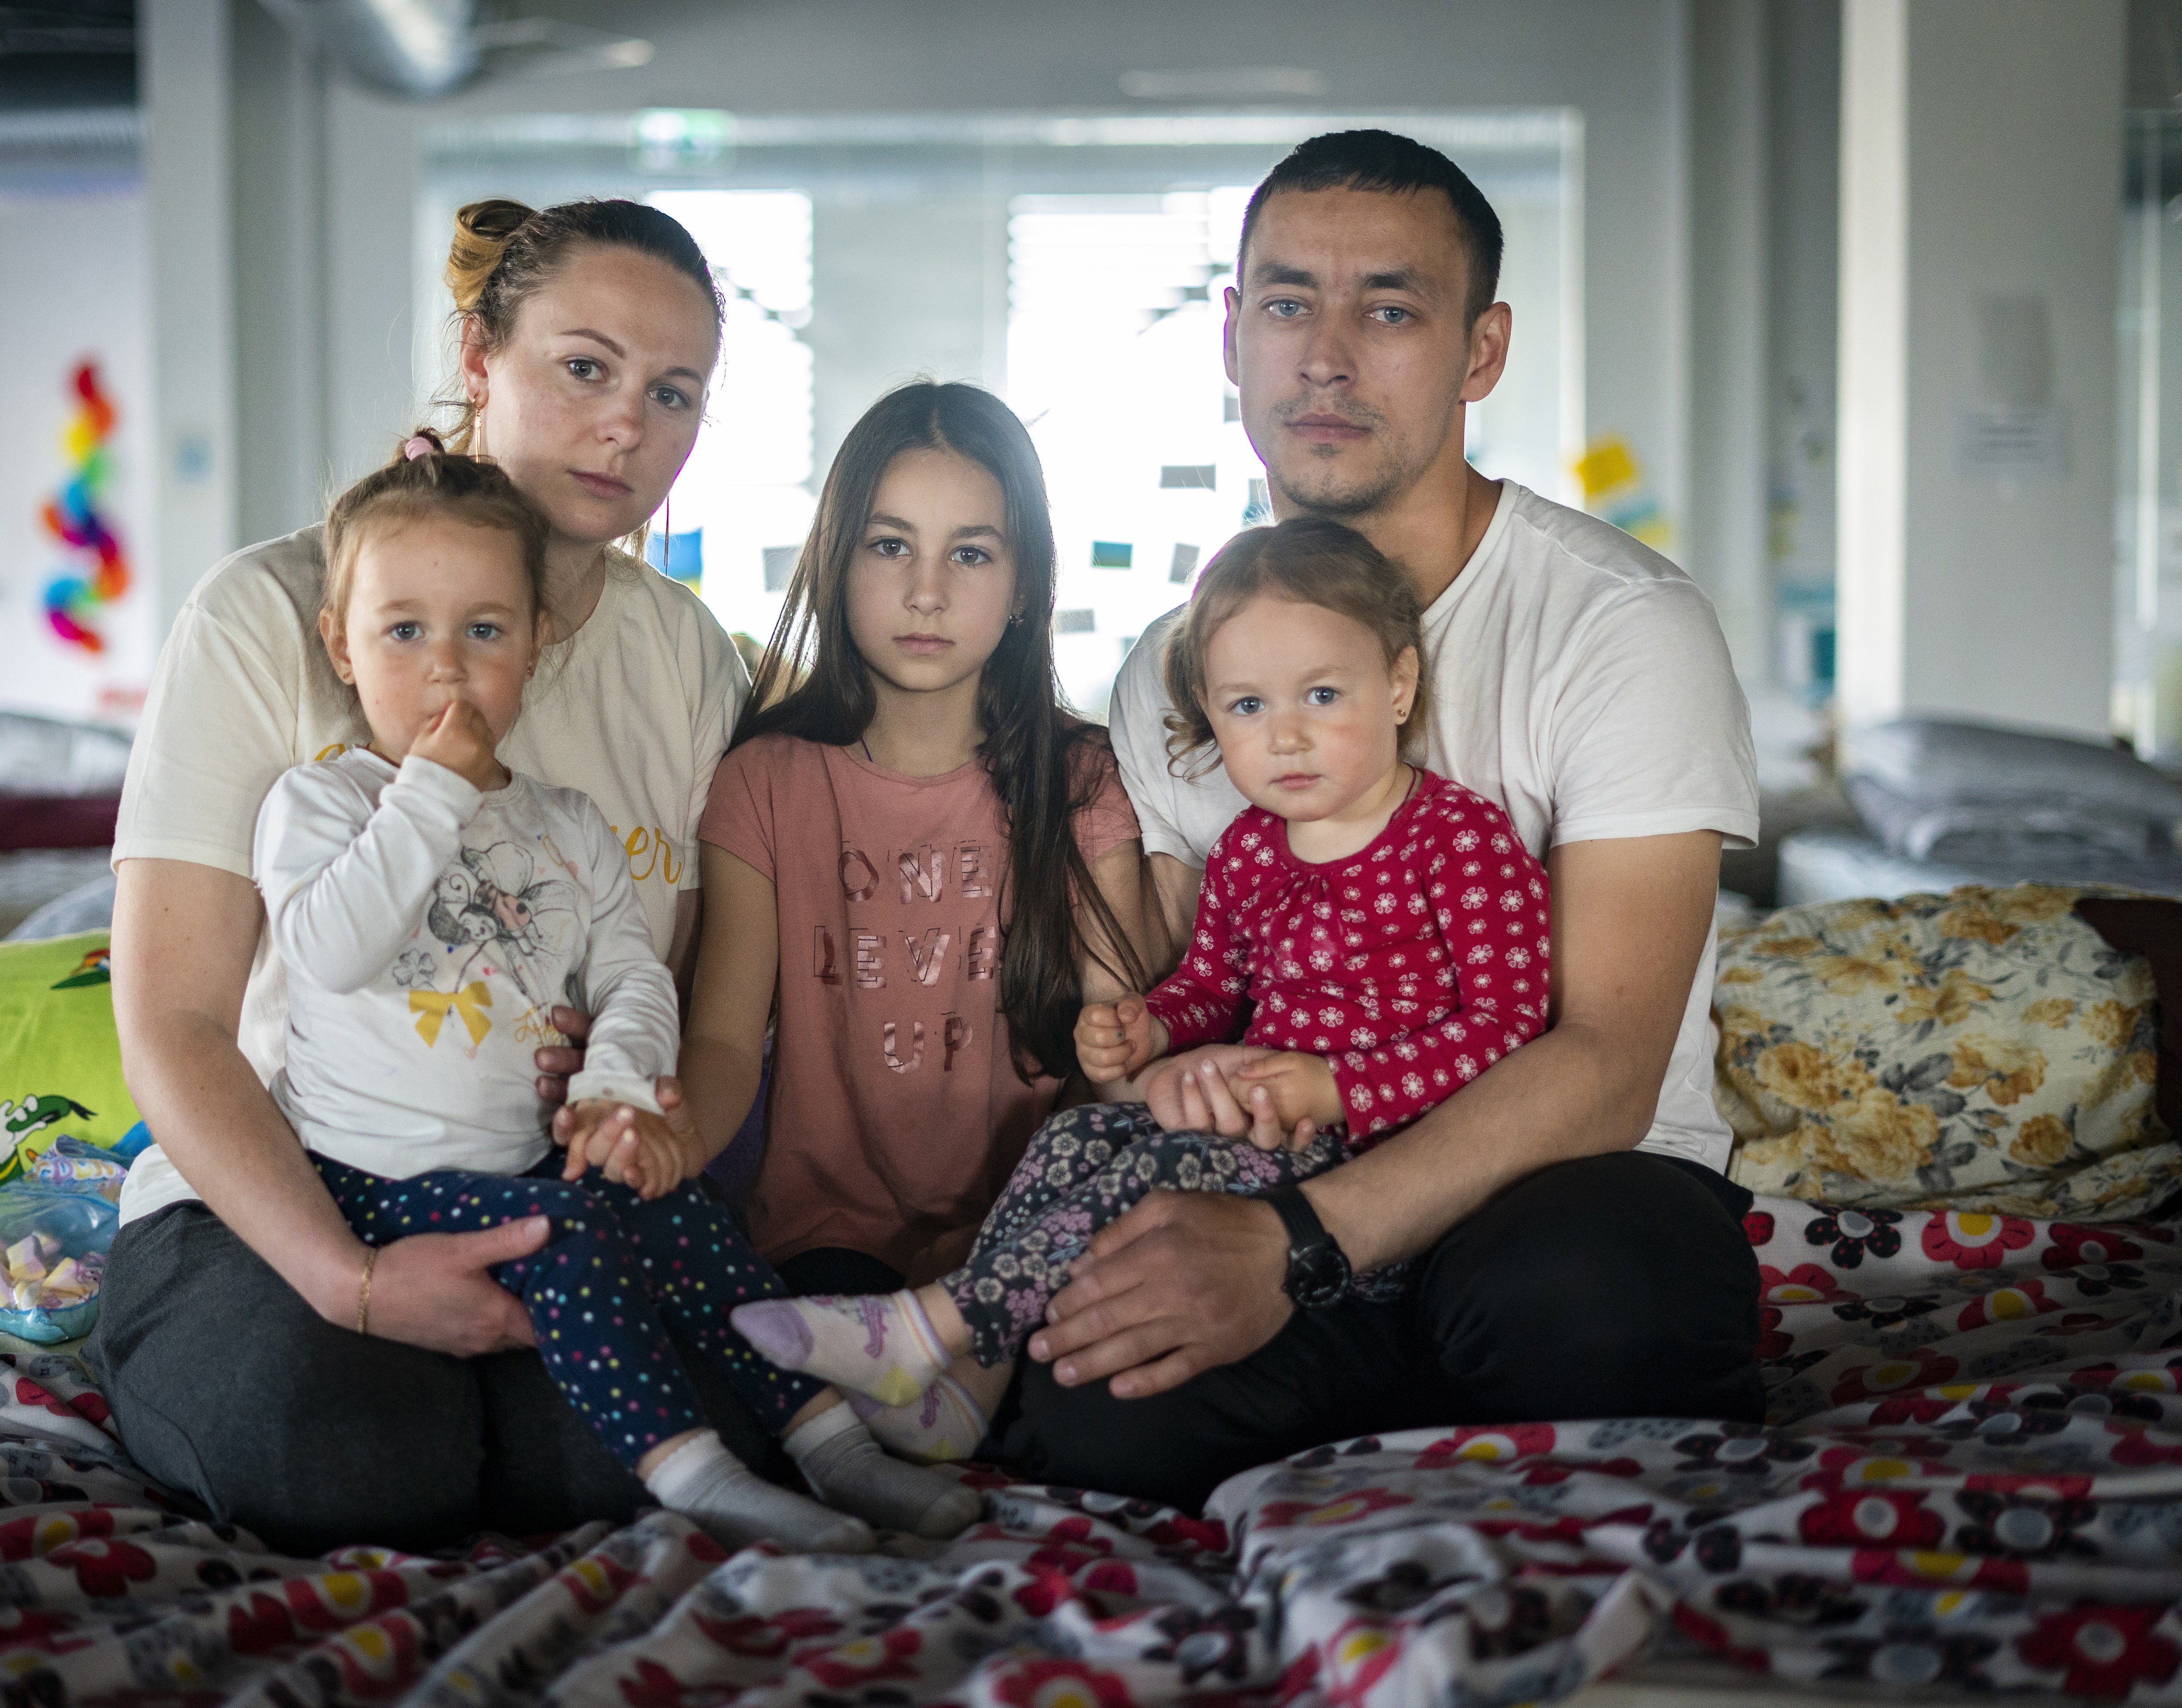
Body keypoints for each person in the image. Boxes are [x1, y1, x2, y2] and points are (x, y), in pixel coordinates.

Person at [988, 128, 1766, 1512]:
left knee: (1589, 1300)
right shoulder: (1180, 661)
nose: (1327, 355)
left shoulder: (1620, 626)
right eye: (1287, 303)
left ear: (1481, 351)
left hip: (1561, 1184)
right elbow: (1168, 987)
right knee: (1090, 1404)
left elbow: (1606, 1060)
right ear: (1232, 334)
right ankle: (1392, 1403)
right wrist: (1147, 1065)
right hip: (1277, 1166)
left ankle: (1397, 1396)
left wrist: (1286, 1250)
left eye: (1390, 308)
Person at [92, 198, 756, 1553]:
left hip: (539, 1203)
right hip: (282, 1191)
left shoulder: (685, 657)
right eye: (586, 367)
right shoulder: (273, 613)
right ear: (479, 354)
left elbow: (685, 997)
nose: (628, 423)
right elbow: (171, 1021)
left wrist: (638, 1111)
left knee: (631, 1459)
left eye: (673, 392)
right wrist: (348, 1277)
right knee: (346, 1451)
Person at [247, 439, 976, 1547]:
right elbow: (331, 948)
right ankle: (695, 1476)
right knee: (573, 1230)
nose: (446, 665)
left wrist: (621, 1086)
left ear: (534, 646)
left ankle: (837, 1448)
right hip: (372, 1176)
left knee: (682, 1215)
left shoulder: (566, 822)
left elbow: (635, 976)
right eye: (405, 630)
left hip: (534, 1147)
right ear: (338, 648)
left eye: (484, 630)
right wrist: (431, 795)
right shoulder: (323, 804)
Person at [730, 519, 1547, 1445]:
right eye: (1246, 706)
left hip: (1382, 1184)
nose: (1286, 734)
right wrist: (1150, 1028)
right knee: (1076, 1138)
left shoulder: (1457, 838)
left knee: (1159, 1172)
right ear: (1209, 709)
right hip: (1261, 1138)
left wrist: (1341, 1087)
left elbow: (1510, 1025)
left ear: (1397, 684)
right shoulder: (1248, 849)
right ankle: (967, 1391)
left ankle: (929, 1324)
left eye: (1323, 694)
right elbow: (1212, 984)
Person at [680, 382, 1149, 1460]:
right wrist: (660, 1146)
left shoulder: (1083, 783)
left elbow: (1115, 1054)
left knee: (1107, 1433)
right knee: (806, 1418)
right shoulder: (765, 781)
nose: (928, 591)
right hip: (827, 1247)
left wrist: (1008, 1239)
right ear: (839, 561)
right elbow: (719, 1042)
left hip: (1035, 1241)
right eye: (891, 546)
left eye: (972, 554)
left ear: (1026, 584)